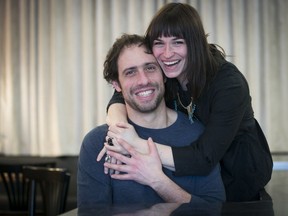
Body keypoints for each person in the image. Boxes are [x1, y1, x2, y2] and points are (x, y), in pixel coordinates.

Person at [102, 3, 273, 202]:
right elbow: (126, 91)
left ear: (195, 43)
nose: (167, 54)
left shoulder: (229, 85)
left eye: (177, 42)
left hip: (240, 186)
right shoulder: (167, 71)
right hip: (191, 183)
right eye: (159, 43)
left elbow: (204, 158)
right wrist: (118, 129)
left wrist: (134, 144)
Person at [77, 34, 226, 207]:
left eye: (150, 68)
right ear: (116, 85)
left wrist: (158, 181)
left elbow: (214, 211)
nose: (144, 80)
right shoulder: (98, 143)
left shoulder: (198, 135)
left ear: (164, 74)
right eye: (130, 72)